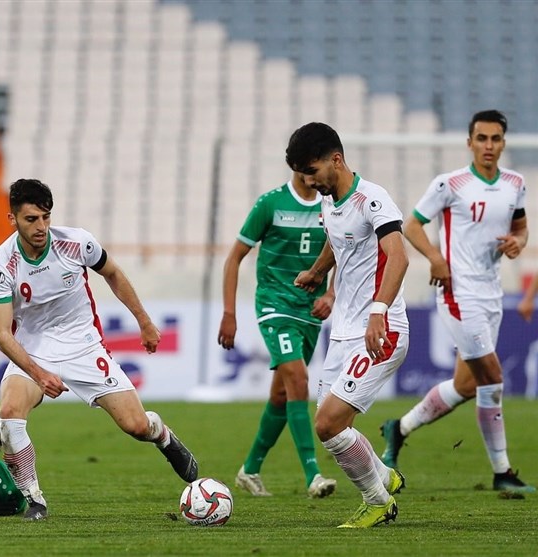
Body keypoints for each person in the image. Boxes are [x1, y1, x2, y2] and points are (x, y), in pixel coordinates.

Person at [0, 178, 198, 521]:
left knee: (135, 426)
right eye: (31, 220)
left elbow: (113, 273)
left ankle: (160, 433)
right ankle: (34, 500)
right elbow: (2, 334)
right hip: (34, 349)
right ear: (12, 219)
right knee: (10, 414)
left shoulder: (77, 243)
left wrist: (144, 322)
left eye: (45, 217)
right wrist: (39, 375)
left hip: (84, 346)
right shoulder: (1, 264)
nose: (41, 227)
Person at [380, 110, 534, 494]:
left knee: (467, 384)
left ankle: (398, 429)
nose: (488, 146)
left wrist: (520, 241)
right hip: (457, 291)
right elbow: (411, 224)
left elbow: (520, 227)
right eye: (481, 138)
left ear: (503, 143)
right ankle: (502, 471)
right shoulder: (450, 184)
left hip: (491, 293)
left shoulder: (515, 183)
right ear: (469, 142)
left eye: (495, 139)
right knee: (492, 379)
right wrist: (435, 259)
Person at [290, 122, 409, 528]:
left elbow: (399, 257)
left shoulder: (372, 199)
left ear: (335, 159)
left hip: (381, 329)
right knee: (332, 423)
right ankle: (386, 476)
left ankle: (378, 501)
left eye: (312, 171)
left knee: (327, 424)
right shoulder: (329, 200)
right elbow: (336, 242)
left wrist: (378, 310)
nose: (308, 181)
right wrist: (317, 271)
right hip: (342, 332)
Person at [217, 171, 338, 498]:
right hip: (275, 307)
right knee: (298, 379)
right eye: (310, 167)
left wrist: (330, 294)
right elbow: (234, 258)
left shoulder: (331, 205)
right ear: (297, 166)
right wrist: (229, 313)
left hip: (310, 312)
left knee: (282, 395)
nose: (315, 174)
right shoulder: (271, 204)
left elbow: (342, 252)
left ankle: (250, 470)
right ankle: (313, 474)